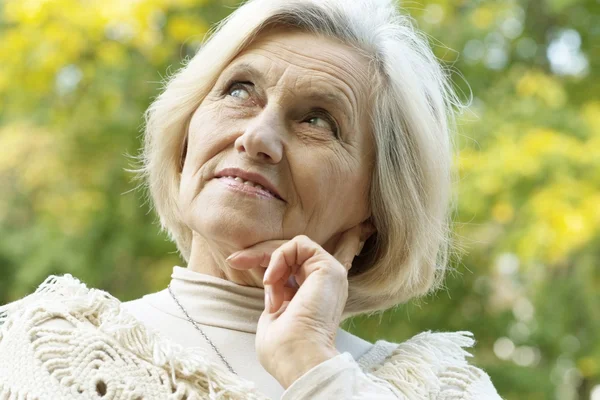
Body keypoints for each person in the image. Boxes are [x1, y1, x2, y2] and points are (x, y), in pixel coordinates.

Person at [0, 0, 503, 398]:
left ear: (376, 205)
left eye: (318, 120)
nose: (257, 137)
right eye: (240, 90)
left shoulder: (440, 389)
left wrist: (313, 367)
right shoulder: (42, 350)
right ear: (186, 136)